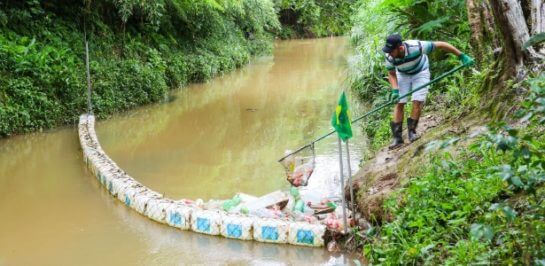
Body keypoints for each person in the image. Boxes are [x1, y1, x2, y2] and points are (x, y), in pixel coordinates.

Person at [382, 33, 474, 150]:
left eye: (391, 50)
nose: (389, 53)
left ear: (400, 48)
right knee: (399, 103)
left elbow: (441, 45)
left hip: (420, 71)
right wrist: (395, 91)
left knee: (417, 101)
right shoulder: (389, 56)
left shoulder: (417, 47)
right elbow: (391, 73)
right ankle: (397, 139)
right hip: (402, 74)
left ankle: (412, 132)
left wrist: (462, 56)